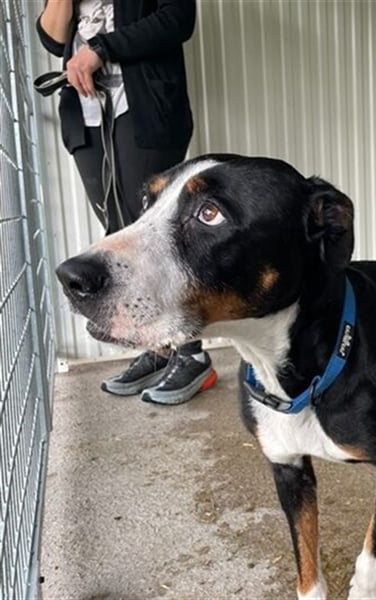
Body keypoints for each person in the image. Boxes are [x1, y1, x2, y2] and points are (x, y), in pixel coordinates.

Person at [37, 0, 217, 405]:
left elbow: (178, 19)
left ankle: (191, 355)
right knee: (117, 231)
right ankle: (157, 347)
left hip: (144, 108)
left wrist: (101, 48)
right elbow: (53, 40)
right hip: (86, 112)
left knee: (156, 233)